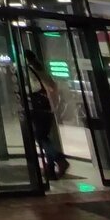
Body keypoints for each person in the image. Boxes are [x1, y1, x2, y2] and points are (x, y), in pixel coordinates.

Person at [25, 49, 70, 180]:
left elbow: (32, 87)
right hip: (48, 107)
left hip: (38, 107)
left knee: (40, 137)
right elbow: (52, 85)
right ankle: (50, 169)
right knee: (44, 137)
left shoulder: (29, 71)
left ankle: (59, 159)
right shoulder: (40, 69)